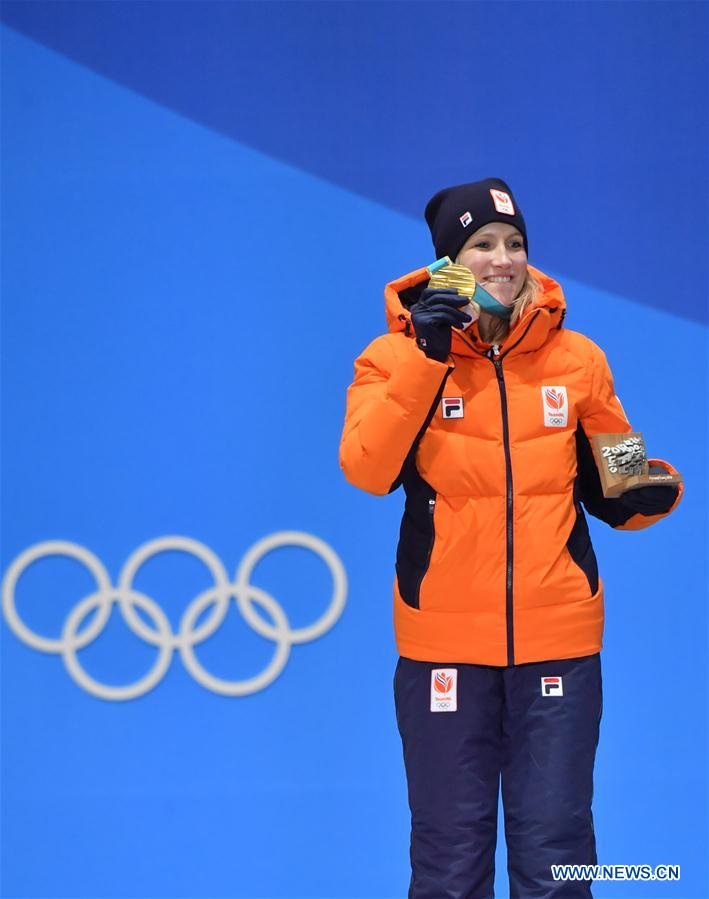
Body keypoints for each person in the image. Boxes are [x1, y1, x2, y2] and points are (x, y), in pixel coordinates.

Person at [338, 178, 683, 899]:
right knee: (448, 864)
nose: (503, 259)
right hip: (441, 648)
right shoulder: (392, 357)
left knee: (559, 857)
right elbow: (366, 468)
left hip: (558, 641)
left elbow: (620, 474)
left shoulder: (576, 359)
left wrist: (653, 488)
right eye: (482, 245)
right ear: (446, 264)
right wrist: (427, 356)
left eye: (514, 243)